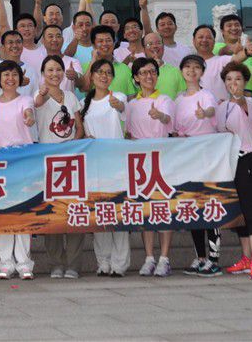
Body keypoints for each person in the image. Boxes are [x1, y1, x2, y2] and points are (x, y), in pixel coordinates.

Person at [33, 55, 84, 278]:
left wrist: (72, 145)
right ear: (43, 74)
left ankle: (73, 264)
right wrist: (42, 93)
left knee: (73, 211)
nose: (55, 74)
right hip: (48, 164)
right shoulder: (40, 95)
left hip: (71, 162)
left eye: (58, 70)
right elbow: (37, 103)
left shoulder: (71, 97)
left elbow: (79, 127)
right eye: (50, 70)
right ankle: (56, 263)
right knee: (52, 213)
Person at [215, 63, 252, 280]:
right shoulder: (222, 108)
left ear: (245, 81)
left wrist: (237, 99)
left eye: (237, 79)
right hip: (232, 162)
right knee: (240, 211)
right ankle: (245, 257)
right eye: (229, 79)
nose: (233, 83)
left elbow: (247, 115)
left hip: (249, 160)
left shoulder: (251, 103)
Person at [124, 57, 174, 277]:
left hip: (161, 159)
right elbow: (127, 132)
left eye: (152, 72)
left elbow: (170, 122)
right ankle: (149, 257)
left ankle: (164, 258)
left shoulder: (164, 99)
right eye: (143, 73)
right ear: (136, 78)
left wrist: (159, 115)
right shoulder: (131, 104)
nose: (149, 76)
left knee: (162, 208)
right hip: (139, 162)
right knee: (145, 209)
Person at [80, 59, 130, 277]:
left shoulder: (118, 97)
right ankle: (103, 262)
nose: (104, 76)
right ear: (92, 76)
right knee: (100, 214)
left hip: (116, 163)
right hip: (94, 165)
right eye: (99, 72)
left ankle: (120, 264)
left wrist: (117, 105)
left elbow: (122, 108)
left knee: (118, 213)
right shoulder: (84, 103)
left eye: (108, 72)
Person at [173, 54, 221, 277]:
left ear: (202, 72)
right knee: (192, 207)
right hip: (188, 158)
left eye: (196, 67)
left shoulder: (206, 95)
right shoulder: (178, 99)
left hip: (207, 157)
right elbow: (176, 129)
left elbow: (211, 110)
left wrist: (205, 113)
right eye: (187, 67)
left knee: (209, 205)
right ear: (181, 71)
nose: (191, 71)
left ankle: (214, 259)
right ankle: (200, 257)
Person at [0, 60, 36, 279]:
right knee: (4, 211)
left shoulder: (25, 99)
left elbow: (29, 113)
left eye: (14, 75)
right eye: (6, 75)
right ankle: (5, 263)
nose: (10, 79)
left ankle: (24, 263)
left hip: (23, 161)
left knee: (23, 211)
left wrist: (29, 117)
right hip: (0, 164)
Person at [138, 0, 192, 67]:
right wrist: (144, 8)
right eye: (162, 25)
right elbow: (147, 28)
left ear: (176, 27)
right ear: (157, 29)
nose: (166, 27)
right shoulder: (156, 48)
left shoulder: (186, 49)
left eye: (170, 24)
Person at [89, 25, 133, 97]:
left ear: (114, 43)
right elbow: (85, 88)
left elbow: (131, 96)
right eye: (100, 41)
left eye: (108, 40)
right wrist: (93, 60)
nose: (105, 44)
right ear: (93, 45)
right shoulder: (86, 68)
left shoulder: (125, 68)